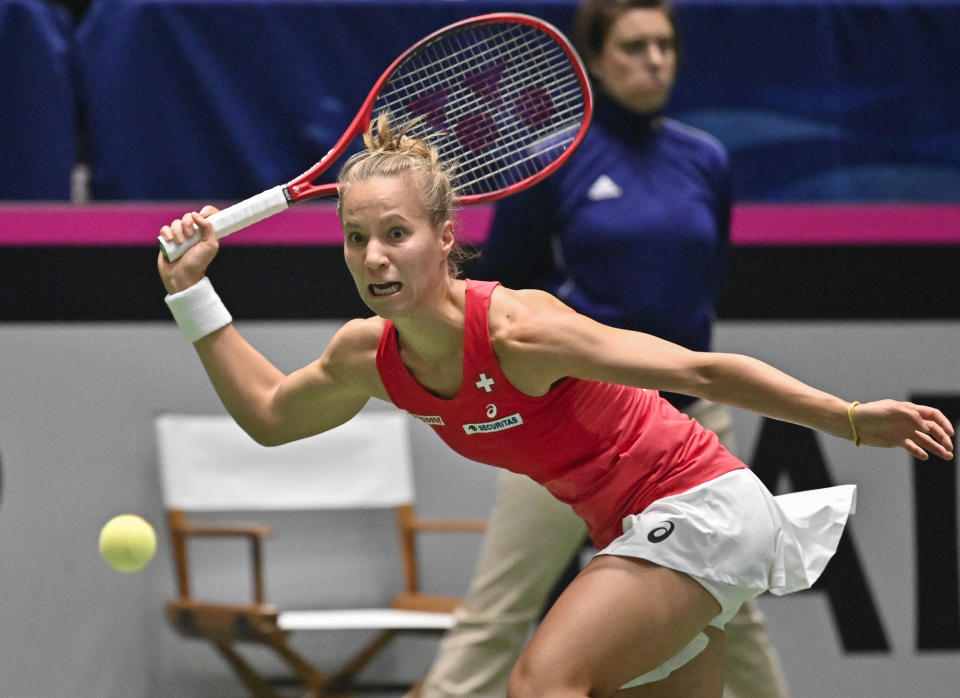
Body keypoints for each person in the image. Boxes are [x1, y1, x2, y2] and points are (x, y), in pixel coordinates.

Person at [156, 114, 954, 697]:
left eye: (395, 233)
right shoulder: (367, 356)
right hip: (637, 532)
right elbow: (268, 415)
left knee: (542, 684)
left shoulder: (520, 330)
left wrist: (849, 418)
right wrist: (192, 294)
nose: (373, 256)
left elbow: (699, 368)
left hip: (698, 505)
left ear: (443, 237)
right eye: (355, 237)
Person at [418, 1, 788, 696]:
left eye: (664, 45)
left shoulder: (704, 159)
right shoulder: (551, 163)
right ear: (595, 59)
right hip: (574, 425)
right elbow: (502, 290)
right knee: (498, 614)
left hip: (687, 430)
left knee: (738, 615)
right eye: (634, 46)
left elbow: (703, 282)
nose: (654, 60)